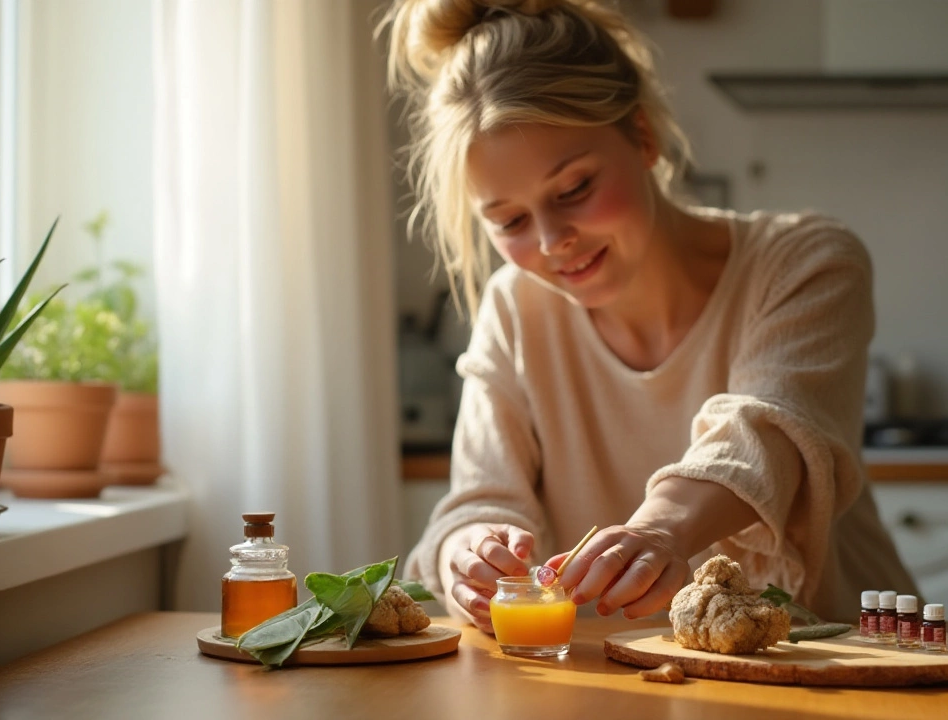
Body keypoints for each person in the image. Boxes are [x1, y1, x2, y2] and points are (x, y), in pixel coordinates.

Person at [385, 0, 917, 634]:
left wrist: (660, 527)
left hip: (843, 653)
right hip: (629, 677)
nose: (554, 241)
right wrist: (466, 551)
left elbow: (767, 433)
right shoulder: (513, 308)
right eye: (510, 221)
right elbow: (480, 495)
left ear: (642, 136)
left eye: (574, 189)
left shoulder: (807, 262)